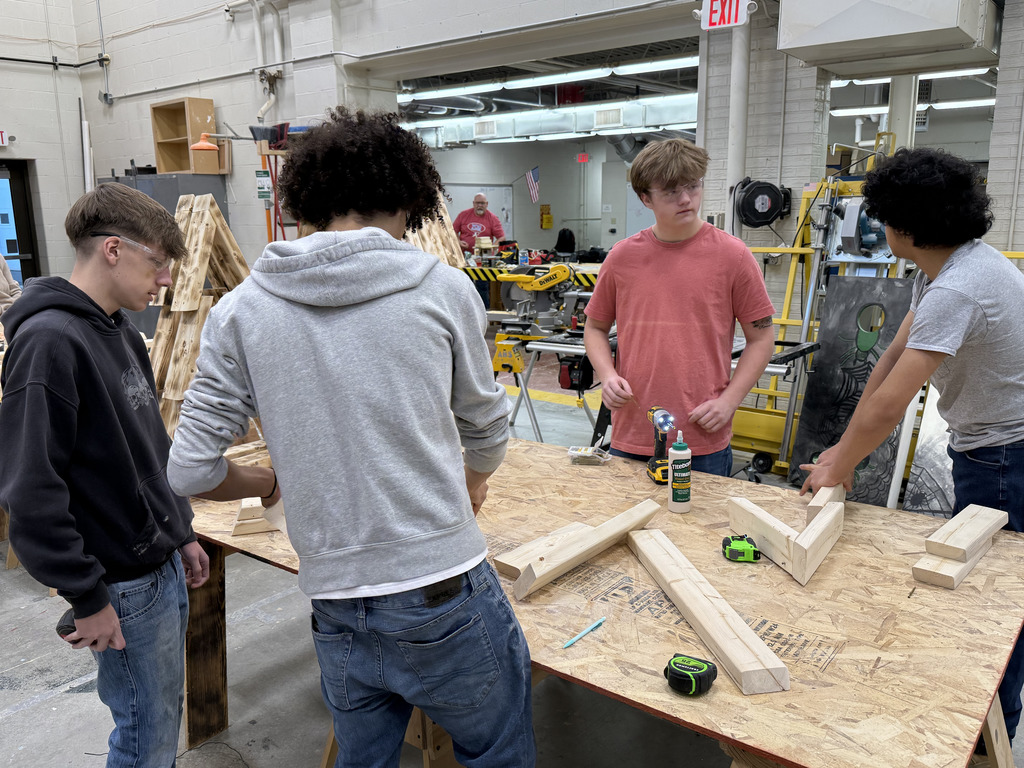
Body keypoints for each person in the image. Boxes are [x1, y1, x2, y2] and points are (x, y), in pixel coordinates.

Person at [166, 107, 534, 768]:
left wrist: (266, 482)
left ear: (306, 200)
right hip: (443, 589)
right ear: (407, 199)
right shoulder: (443, 289)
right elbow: (486, 427)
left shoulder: (241, 311)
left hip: (335, 602)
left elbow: (189, 471)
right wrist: (474, 477)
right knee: (498, 754)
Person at [799, 146, 1024, 744]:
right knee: (982, 589)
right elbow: (893, 357)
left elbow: (890, 403)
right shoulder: (954, 266)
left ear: (904, 227)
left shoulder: (957, 289)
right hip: (996, 446)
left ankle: (979, 737)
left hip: (1005, 458)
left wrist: (838, 466)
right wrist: (842, 453)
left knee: (992, 608)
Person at [0, 182, 210, 767]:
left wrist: (181, 530)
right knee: (145, 737)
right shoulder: (49, 341)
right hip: (119, 586)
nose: (166, 278)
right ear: (113, 250)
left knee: (159, 722)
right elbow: (31, 486)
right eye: (159, 262)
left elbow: (149, 448)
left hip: (156, 563)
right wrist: (86, 594)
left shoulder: (118, 330)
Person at [583, 138, 776, 475]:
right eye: (671, 191)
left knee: (699, 527)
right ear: (646, 198)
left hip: (701, 435)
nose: (686, 199)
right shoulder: (622, 258)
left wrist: (728, 402)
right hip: (632, 433)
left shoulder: (733, 256)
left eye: (693, 186)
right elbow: (595, 328)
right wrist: (607, 374)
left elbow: (762, 339)